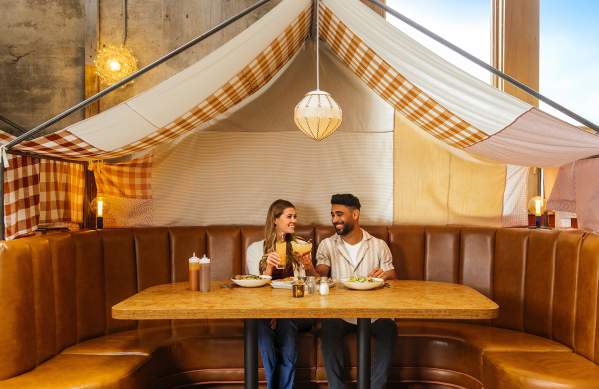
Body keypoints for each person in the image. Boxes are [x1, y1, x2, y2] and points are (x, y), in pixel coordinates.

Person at [315, 194, 397, 389]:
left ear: (355, 214)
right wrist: (309, 266)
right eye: (333, 214)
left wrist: (384, 274)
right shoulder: (327, 245)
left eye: (340, 214)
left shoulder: (378, 245)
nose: (335, 220)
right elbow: (320, 275)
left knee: (389, 328)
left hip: (375, 313)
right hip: (340, 313)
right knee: (328, 328)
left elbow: (393, 275)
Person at [246, 199, 317, 389]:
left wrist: (309, 266)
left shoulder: (301, 245)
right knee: (261, 327)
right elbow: (255, 289)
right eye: (289, 216)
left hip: (296, 309)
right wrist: (268, 268)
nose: (294, 220)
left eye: (295, 216)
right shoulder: (255, 250)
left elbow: (311, 284)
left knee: (286, 322)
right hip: (265, 311)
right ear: (275, 220)